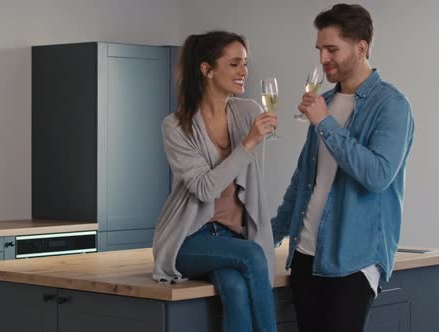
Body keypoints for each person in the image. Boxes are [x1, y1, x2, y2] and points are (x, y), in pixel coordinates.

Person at [271, 4, 414, 332]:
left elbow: (377, 175)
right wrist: (272, 233)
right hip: (306, 255)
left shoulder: (393, 106)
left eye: (332, 49)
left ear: (361, 48)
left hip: (354, 261)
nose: (323, 58)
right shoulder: (325, 102)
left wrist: (326, 122)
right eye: (320, 49)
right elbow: (305, 179)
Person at [152, 30, 278, 332]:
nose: (244, 72)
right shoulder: (176, 126)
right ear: (206, 70)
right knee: (252, 254)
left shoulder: (249, 111)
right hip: (190, 239)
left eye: (245, 63)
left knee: (234, 288)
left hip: (233, 238)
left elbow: (250, 183)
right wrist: (247, 144)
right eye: (234, 64)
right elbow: (206, 188)